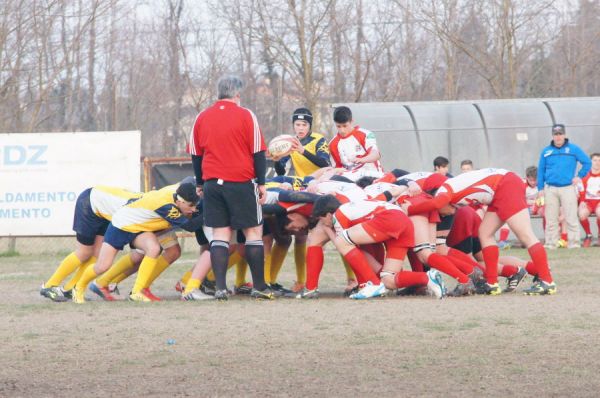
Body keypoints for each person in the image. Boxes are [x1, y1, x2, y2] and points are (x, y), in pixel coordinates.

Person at [404, 168, 557, 296]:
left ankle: (547, 280)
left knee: (525, 235)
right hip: (500, 189)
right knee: (485, 233)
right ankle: (492, 282)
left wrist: (409, 209)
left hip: (505, 184)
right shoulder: (446, 191)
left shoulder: (444, 192)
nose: (449, 213)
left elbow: (437, 203)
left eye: (441, 212)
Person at [188, 74, 272, 300]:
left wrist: (199, 182)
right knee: (253, 232)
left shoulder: (201, 117)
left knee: (220, 235)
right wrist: (262, 183)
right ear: (237, 94)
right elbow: (258, 152)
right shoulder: (246, 115)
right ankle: (259, 286)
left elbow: (196, 155)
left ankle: (220, 288)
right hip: (241, 182)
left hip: (213, 184)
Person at [71, 183, 199, 303]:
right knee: (102, 266)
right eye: (191, 205)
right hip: (122, 225)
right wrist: (213, 215)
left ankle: (137, 292)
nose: (193, 209)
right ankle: (78, 287)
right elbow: (191, 226)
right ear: (179, 202)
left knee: (154, 248)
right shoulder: (167, 206)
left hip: (138, 228)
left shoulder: (177, 195)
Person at [39, 186, 142, 302]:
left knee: (97, 255)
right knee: (84, 252)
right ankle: (49, 285)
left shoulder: (144, 204)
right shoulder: (142, 207)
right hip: (89, 203)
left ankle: (70, 289)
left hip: (106, 213)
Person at [537, 124, 591, 249]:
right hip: (550, 188)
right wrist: (540, 189)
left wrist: (579, 176)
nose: (558, 137)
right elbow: (541, 171)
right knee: (551, 218)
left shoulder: (573, 149)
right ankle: (551, 243)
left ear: (564, 135)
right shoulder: (546, 151)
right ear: (552, 136)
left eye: (560, 134)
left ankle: (574, 243)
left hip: (568, 188)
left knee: (571, 217)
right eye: (556, 134)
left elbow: (587, 162)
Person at [328, 106, 383, 181]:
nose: (342, 130)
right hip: (351, 181)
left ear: (351, 121)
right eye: (338, 126)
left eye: (345, 126)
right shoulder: (332, 144)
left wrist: (362, 159)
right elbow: (338, 168)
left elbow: (376, 154)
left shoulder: (365, 134)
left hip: (372, 176)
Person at [274, 107, 330, 177]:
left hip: (319, 182)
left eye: (304, 125)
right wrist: (277, 161)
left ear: (310, 126)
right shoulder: (290, 143)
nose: (301, 128)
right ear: (293, 126)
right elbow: (281, 173)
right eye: (297, 125)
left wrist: (303, 151)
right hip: (300, 183)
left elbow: (325, 164)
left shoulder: (319, 139)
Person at [578, 153, 600, 247]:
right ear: (591, 162)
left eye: (599, 161)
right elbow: (580, 189)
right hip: (587, 201)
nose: (597, 163)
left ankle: (599, 235)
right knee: (582, 214)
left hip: (599, 201)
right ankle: (588, 235)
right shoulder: (585, 174)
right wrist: (582, 201)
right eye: (595, 160)